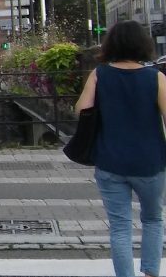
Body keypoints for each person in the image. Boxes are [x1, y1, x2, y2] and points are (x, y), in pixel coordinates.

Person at [75, 20, 166, 277]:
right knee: (153, 219)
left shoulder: (99, 74)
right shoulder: (156, 77)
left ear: (110, 44)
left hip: (110, 161)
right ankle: (150, 273)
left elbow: (82, 110)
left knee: (120, 227)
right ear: (143, 45)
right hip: (150, 163)